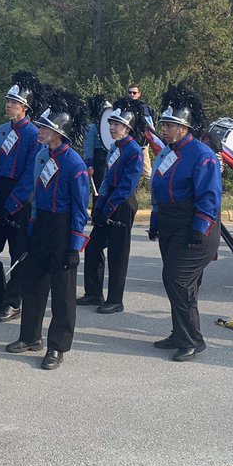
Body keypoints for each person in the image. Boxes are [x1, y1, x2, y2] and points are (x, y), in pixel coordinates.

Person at [7, 89, 90, 370]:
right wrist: (31, 229)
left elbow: (80, 209)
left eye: (44, 128)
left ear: (58, 133)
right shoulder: (42, 156)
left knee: (63, 294)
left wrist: (74, 246)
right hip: (41, 224)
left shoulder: (74, 164)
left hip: (62, 228)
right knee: (33, 284)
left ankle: (57, 346)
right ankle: (30, 337)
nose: (39, 131)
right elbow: (36, 195)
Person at [148, 83, 222, 361]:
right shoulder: (166, 153)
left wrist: (199, 228)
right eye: (164, 123)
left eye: (170, 124)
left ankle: (192, 339)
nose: (164, 128)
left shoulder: (202, 155)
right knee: (181, 284)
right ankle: (180, 333)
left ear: (185, 127)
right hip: (170, 223)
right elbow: (158, 189)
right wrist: (156, 219)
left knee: (176, 279)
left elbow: (209, 196)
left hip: (193, 226)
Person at [0, 71, 41, 323]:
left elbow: (31, 173)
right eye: (7, 100)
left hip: (21, 198)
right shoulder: (2, 130)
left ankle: (14, 302)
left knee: (18, 254)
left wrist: (14, 202)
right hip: (0, 192)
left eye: (14, 102)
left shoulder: (34, 134)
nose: (8, 105)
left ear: (24, 107)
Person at [81, 96, 145, 313]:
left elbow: (127, 186)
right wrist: (99, 206)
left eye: (116, 124)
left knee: (118, 253)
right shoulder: (115, 147)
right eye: (111, 123)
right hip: (109, 200)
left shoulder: (133, 150)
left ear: (127, 128)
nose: (111, 127)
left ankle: (115, 299)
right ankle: (93, 293)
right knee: (93, 247)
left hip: (123, 204)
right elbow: (107, 178)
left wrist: (108, 208)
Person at [83, 94, 111, 188]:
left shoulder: (111, 128)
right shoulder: (92, 128)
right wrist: (90, 165)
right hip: (98, 160)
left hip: (108, 157)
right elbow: (88, 148)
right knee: (99, 186)